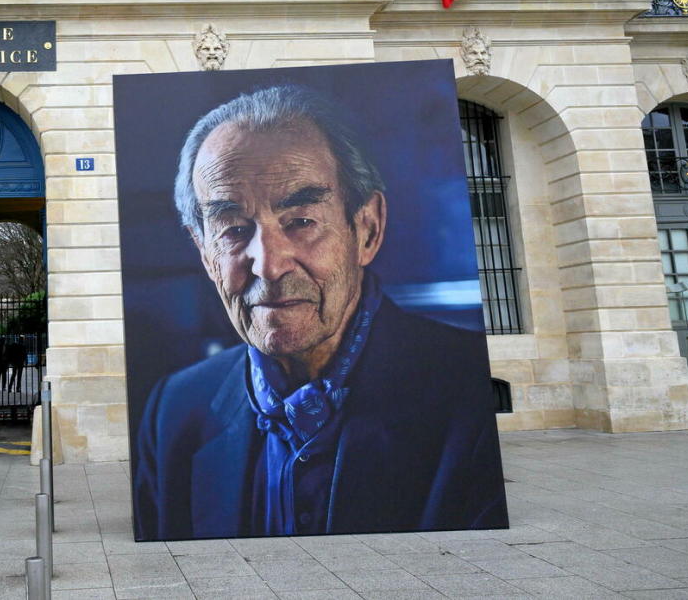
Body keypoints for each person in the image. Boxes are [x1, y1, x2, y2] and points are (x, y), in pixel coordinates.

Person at [132, 84, 507, 541]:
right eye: (232, 229)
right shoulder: (174, 409)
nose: (268, 264)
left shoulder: (468, 395)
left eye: (301, 222)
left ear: (366, 230)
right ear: (206, 253)